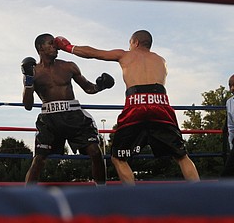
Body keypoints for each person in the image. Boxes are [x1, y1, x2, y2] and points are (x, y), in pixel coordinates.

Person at [54, 30, 200, 185]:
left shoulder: (125, 55)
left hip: (135, 105)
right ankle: (201, 196)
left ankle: (133, 199)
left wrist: (68, 47)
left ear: (135, 42)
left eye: (130, 43)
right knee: (181, 156)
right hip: (160, 104)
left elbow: (94, 53)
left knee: (118, 158)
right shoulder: (161, 60)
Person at [22, 33, 115, 185]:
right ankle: (27, 198)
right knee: (39, 159)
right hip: (49, 119)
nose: (56, 46)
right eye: (51, 44)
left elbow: (88, 88)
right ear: (40, 48)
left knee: (95, 152)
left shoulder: (68, 66)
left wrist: (101, 86)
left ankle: (101, 193)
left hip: (73, 116)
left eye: (56, 44)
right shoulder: (34, 72)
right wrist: (28, 82)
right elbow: (27, 105)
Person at [221, 74, 234, 178]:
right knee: (227, 175)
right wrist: (231, 145)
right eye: (230, 85)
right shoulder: (229, 102)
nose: (232, 88)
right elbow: (230, 126)